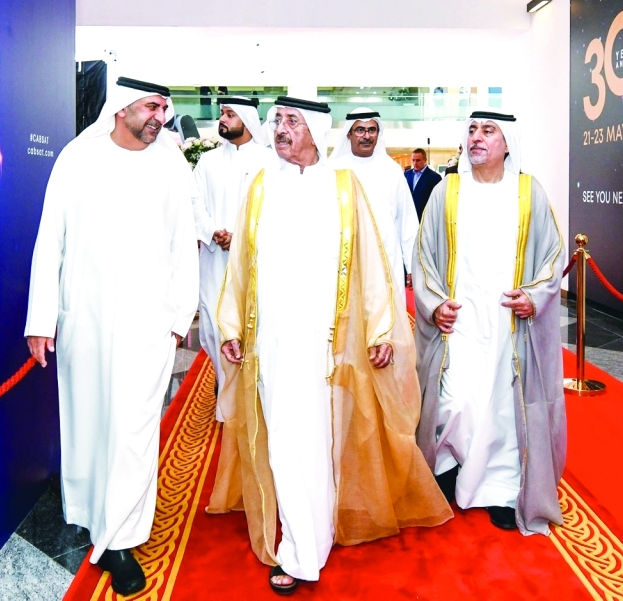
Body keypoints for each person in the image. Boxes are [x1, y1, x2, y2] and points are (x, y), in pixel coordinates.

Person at [207, 96, 450, 595]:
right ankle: (306, 540)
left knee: (315, 440)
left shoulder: (342, 187)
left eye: (292, 121)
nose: (281, 129)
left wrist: (380, 329)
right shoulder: (261, 186)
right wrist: (231, 327)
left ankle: (306, 546)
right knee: (282, 439)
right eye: (277, 120)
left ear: (315, 131)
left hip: (326, 346)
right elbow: (240, 267)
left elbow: (371, 264)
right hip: (271, 341)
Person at [25, 76, 199, 597]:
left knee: (133, 429)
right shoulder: (78, 158)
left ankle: (120, 538)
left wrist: (179, 317)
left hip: (149, 324)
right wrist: (41, 318)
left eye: (164, 108)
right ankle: (86, 510)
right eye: (151, 107)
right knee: (88, 420)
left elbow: (183, 244)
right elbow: (50, 239)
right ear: (122, 108)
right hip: (85, 319)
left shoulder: (171, 164)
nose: (160, 117)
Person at [413, 111, 565, 534]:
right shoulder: (447, 192)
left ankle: (501, 487)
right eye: (472, 130)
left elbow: (553, 255)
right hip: (459, 320)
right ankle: (448, 465)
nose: (476, 138)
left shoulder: (528, 192)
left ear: (507, 142)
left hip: (507, 324)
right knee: (455, 399)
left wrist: (533, 297)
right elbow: (423, 256)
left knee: (502, 406)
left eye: (487, 131)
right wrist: (434, 304)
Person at [191, 97, 274, 376]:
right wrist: (212, 231)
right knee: (214, 323)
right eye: (222, 114)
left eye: (230, 114)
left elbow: (275, 209)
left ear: (247, 120)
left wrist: (241, 237)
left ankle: (254, 386)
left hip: (256, 260)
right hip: (215, 259)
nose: (222, 120)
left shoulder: (269, 162)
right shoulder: (208, 160)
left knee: (255, 322)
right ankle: (223, 383)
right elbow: (194, 201)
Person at [330, 109, 419, 292]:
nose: (367, 136)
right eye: (360, 130)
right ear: (349, 134)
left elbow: (407, 221)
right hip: (344, 261)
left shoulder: (392, 170)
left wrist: (412, 266)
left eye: (372, 130)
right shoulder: (334, 169)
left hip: (387, 258)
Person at [405, 147, 442, 219]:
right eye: (413, 160)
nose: (415, 163)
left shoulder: (435, 177)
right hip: (409, 216)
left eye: (418, 160)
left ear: (425, 160)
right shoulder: (407, 174)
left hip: (425, 216)